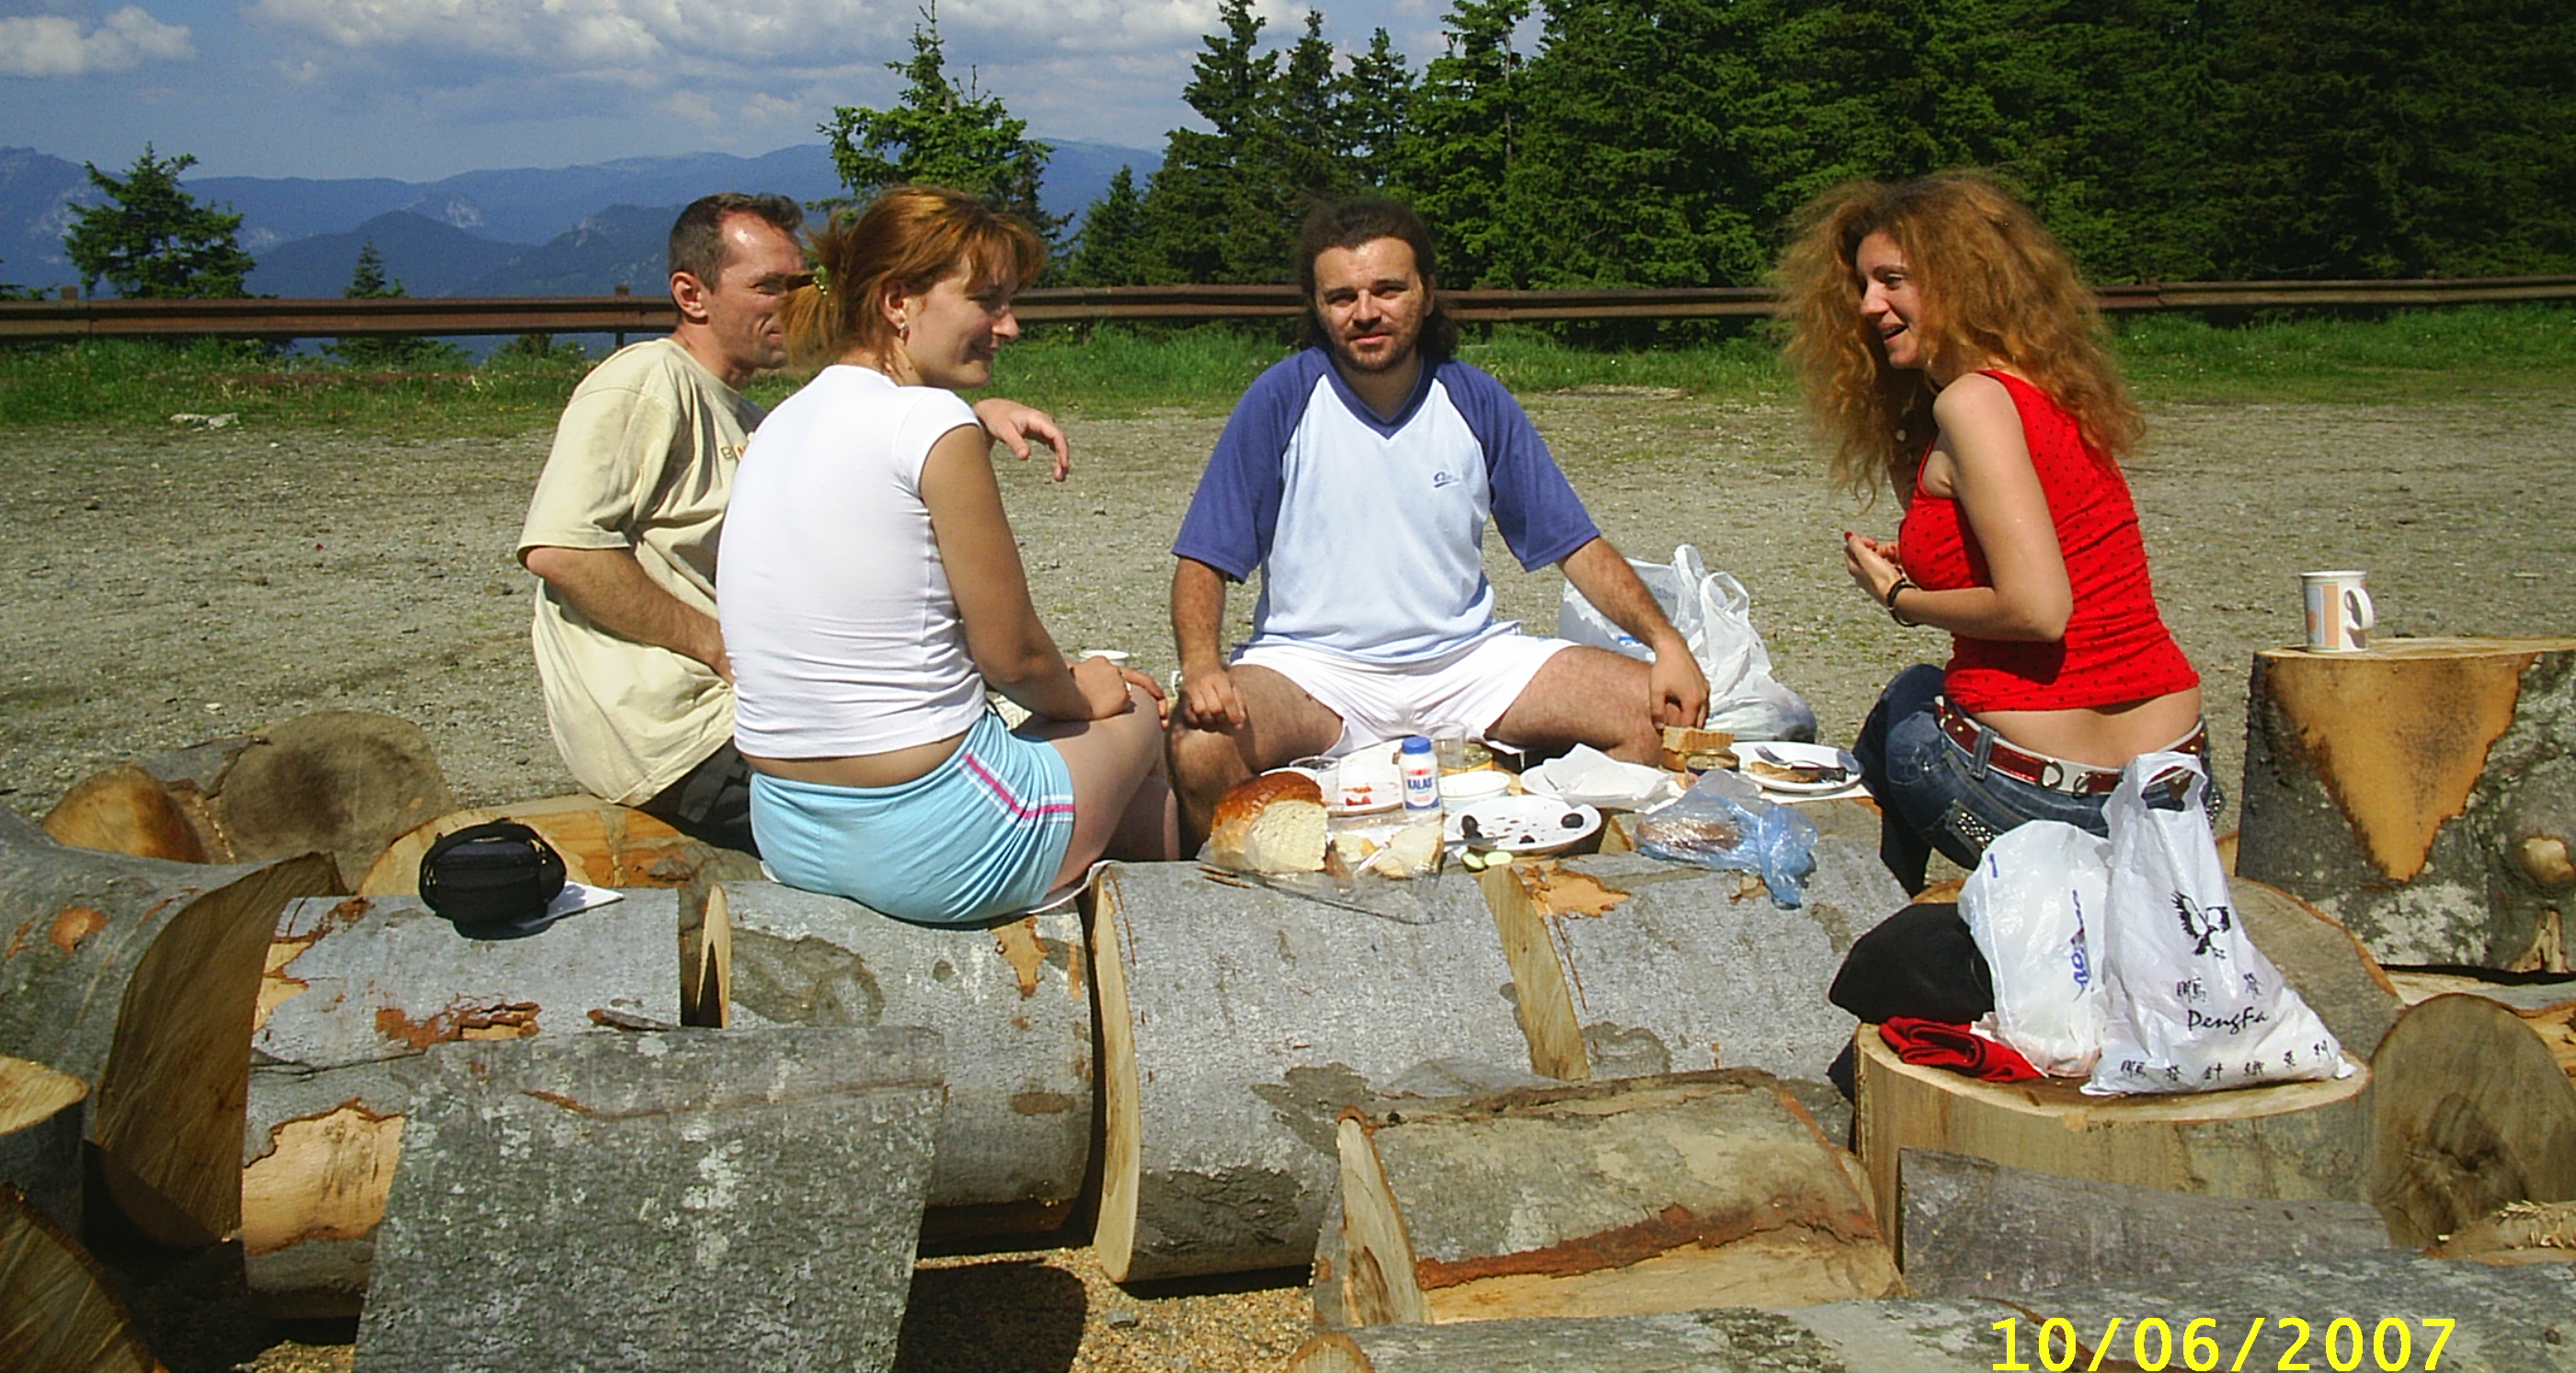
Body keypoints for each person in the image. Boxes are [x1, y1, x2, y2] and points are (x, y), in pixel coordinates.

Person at [519, 191, 1064, 854]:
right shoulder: (646, 381)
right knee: (1056, 774)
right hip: (686, 734)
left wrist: (969, 424)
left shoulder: (760, 420)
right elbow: (562, 550)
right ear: (691, 295)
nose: (794, 301)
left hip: (754, 720)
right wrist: (719, 646)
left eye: (803, 282)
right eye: (768, 286)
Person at [1167, 197, 1710, 834]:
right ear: (1316, 307)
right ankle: (1250, 881)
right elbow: (1204, 557)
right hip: (1314, 670)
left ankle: (1546, 845)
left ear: (1426, 294)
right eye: (1341, 297)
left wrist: (1667, 644)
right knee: (1199, 746)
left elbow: (1576, 545)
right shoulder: (1281, 399)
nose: (1365, 312)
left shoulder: (1475, 399)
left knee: (1659, 714)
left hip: (1465, 663)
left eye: (1387, 290)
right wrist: (1201, 668)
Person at [716, 186, 1175, 923]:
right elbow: (1013, 657)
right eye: (987, 302)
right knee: (1141, 710)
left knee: (1109, 773)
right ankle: (1176, 946)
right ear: (898, 302)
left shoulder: (780, 423)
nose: (1009, 326)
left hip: (788, 825)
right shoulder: (931, 422)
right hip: (940, 836)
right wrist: (1090, 689)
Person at [1777, 172, 2218, 896]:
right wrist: (1922, 557)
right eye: (1863, 285)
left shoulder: (1973, 403)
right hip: (2174, 783)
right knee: (1921, 696)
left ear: (1959, 281)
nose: (1867, 305)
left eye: (1892, 281)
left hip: (2048, 800)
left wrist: (1899, 598)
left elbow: (2037, 610)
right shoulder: (2047, 390)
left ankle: (1872, 913)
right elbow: (2053, 544)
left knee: (1907, 702)